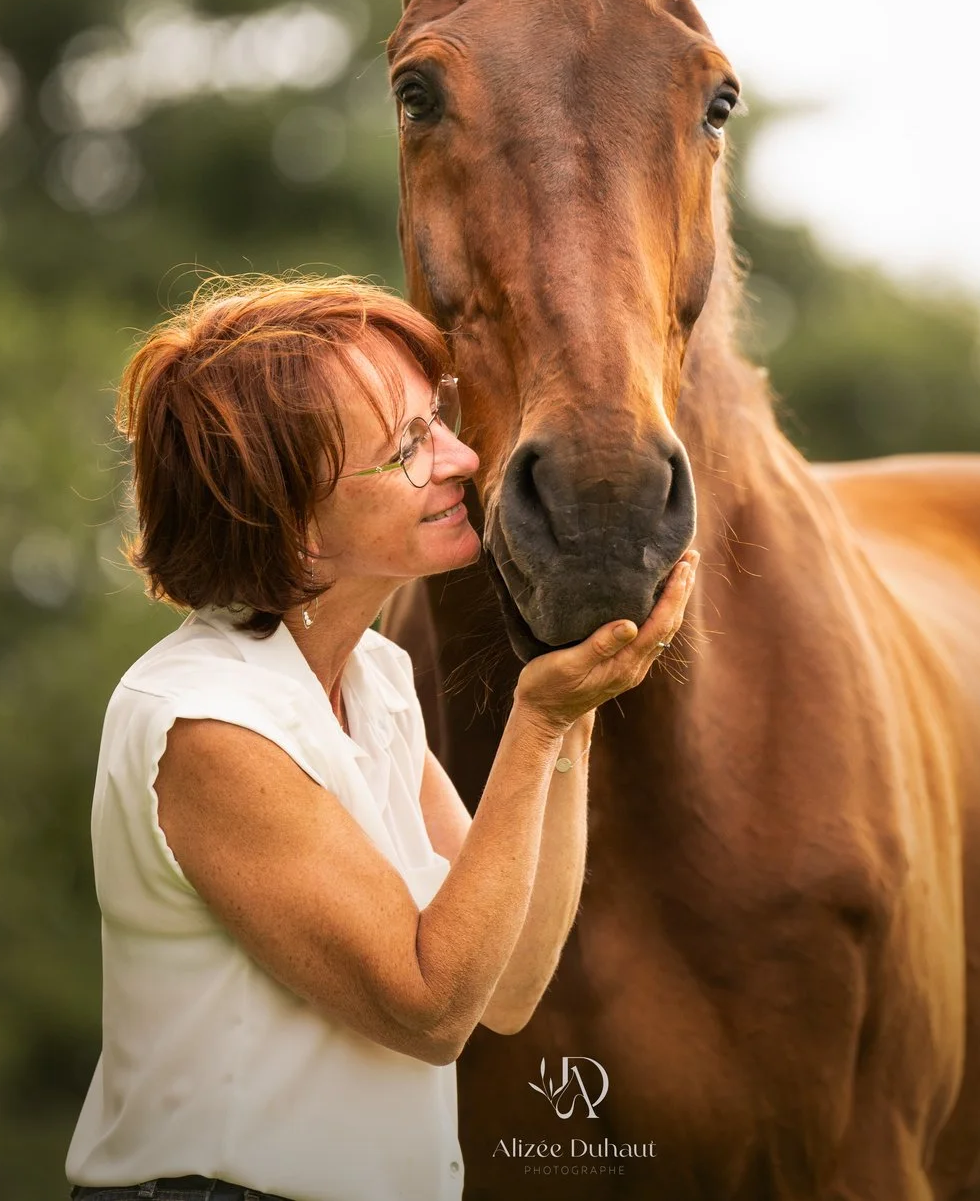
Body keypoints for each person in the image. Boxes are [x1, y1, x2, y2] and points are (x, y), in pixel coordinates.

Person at [65, 274, 697, 1201]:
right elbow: (431, 1007)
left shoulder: (374, 680)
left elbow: (509, 985)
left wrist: (576, 710)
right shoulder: (205, 720)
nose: (461, 457)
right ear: (296, 530)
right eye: (408, 448)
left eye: (438, 420)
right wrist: (536, 722)